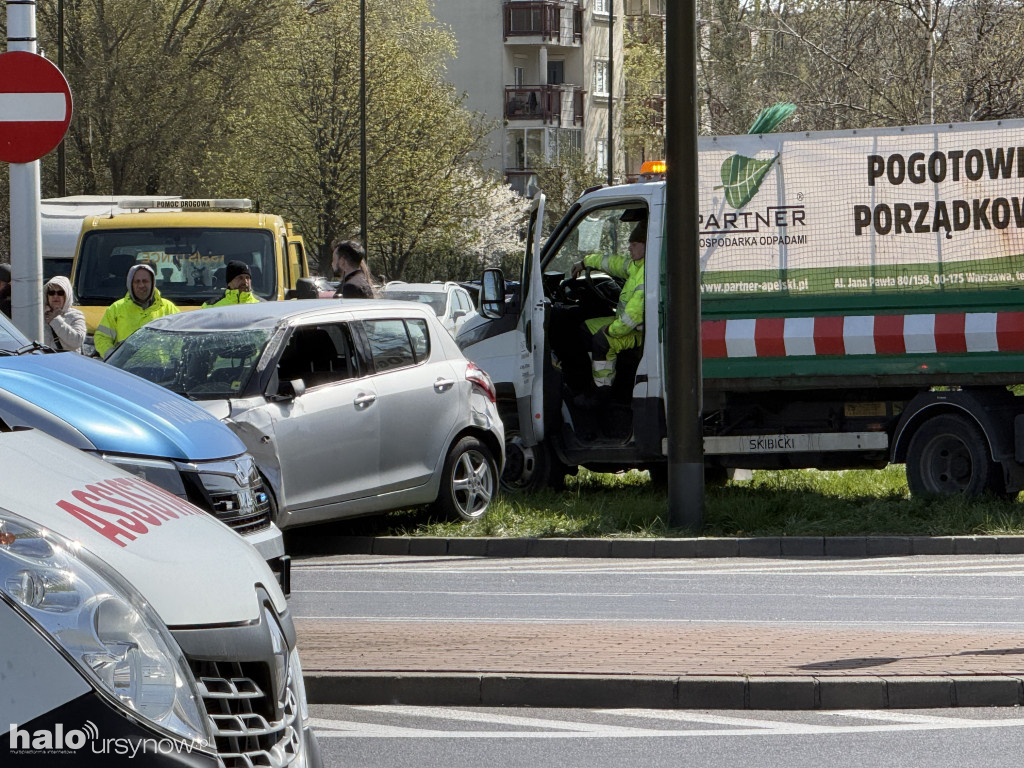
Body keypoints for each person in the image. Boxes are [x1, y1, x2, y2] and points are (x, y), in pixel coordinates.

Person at [571, 218, 647, 395]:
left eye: (634, 244)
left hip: (639, 333)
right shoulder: (635, 265)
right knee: (586, 328)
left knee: (602, 340)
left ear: (646, 245)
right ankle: (594, 374)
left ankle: (603, 391)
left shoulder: (646, 273)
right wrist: (585, 263)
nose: (629, 248)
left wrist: (611, 331)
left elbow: (633, 317)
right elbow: (611, 262)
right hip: (627, 326)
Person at [94, 262, 179, 359]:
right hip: (125, 370)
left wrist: (175, 360)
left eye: (145, 281)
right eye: (137, 281)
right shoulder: (116, 309)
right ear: (130, 284)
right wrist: (113, 357)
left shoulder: (169, 308)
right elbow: (101, 338)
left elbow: (181, 339)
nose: (141, 285)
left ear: (153, 283)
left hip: (163, 371)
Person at [42, 276, 86, 353]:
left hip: (67, 362)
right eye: (51, 293)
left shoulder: (76, 316)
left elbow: (77, 341)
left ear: (67, 295)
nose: (55, 296)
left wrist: (55, 320)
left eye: (60, 293)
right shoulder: (39, 316)